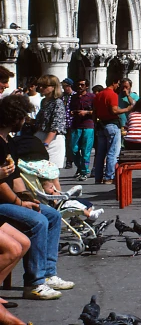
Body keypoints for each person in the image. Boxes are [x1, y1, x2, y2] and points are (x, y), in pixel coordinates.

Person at [0, 94, 74, 300]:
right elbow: (1, 185)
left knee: (51, 214)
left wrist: (28, 198)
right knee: (38, 222)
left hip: (11, 198)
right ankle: (34, 283)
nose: (25, 121)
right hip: (2, 202)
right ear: (15, 118)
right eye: (22, 116)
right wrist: (20, 203)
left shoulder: (9, 143)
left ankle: (49, 273)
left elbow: (15, 179)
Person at [93, 76, 135, 185]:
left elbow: (94, 112)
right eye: (118, 84)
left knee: (100, 153)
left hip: (101, 125)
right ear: (114, 82)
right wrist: (127, 109)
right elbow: (114, 110)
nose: (118, 86)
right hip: (112, 124)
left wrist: (95, 125)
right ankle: (109, 177)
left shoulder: (98, 95)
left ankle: (98, 177)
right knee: (113, 152)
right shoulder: (112, 94)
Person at [33, 75, 67, 187]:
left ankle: (58, 200)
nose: (40, 88)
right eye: (39, 86)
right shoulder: (44, 102)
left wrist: (45, 143)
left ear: (53, 87)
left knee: (52, 175)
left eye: (44, 86)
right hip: (40, 136)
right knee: (43, 175)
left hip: (52, 140)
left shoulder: (58, 103)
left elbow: (56, 126)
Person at [40, 179, 104, 221]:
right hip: (61, 207)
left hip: (64, 202)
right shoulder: (47, 197)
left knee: (82, 201)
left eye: (53, 186)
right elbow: (54, 204)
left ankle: (90, 214)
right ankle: (90, 215)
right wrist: (55, 196)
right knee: (75, 205)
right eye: (50, 188)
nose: (53, 188)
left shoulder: (53, 191)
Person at [69, 79, 95, 182]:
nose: (80, 87)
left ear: (86, 86)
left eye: (82, 85)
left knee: (85, 150)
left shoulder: (92, 97)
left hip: (88, 126)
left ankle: (84, 171)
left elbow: (96, 111)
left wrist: (87, 112)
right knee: (74, 149)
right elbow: (70, 109)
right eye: (78, 84)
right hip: (76, 125)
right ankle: (80, 167)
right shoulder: (74, 97)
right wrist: (73, 112)